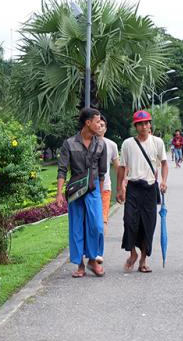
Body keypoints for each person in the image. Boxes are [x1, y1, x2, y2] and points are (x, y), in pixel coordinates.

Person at [56, 108, 108, 278]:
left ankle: (93, 259)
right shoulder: (69, 143)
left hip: (93, 189)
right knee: (77, 226)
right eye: (97, 122)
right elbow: (62, 170)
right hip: (76, 190)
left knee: (97, 226)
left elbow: (102, 172)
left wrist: (99, 194)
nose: (100, 125)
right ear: (88, 123)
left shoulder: (101, 144)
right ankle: (80, 264)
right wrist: (58, 194)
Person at [116, 110, 168, 273]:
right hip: (133, 187)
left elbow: (164, 163)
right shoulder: (127, 144)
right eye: (140, 124)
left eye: (146, 123)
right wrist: (120, 188)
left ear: (150, 124)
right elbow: (122, 167)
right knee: (129, 222)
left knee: (148, 224)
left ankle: (143, 260)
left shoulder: (158, 142)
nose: (144, 126)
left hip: (150, 188)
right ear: (136, 126)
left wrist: (164, 181)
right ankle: (133, 253)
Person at [97, 115, 120, 235]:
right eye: (98, 125)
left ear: (106, 129)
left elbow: (117, 166)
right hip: (89, 187)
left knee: (103, 220)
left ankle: (99, 250)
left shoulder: (111, 145)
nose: (99, 128)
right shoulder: (86, 143)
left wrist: (121, 186)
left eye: (102, 126)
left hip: (105, 187)